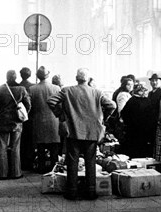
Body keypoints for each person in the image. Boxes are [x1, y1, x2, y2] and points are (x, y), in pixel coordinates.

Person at [47, 68, 115, 200]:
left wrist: (61, 115)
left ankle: (72, 191)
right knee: (90, 162)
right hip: (91, 132)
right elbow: (112, 105)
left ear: (76, 78)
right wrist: (102, 119)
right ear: (88, 78)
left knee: (72, 162)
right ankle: (90, 191)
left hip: (73, 131)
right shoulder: (97, 92)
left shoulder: (67, 91)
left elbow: (51, 101)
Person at [0, 70, 31, 179]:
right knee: (15, 147)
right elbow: (28, 104)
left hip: (4, 120)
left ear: (6, 76)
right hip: (16, 122)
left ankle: (2, 173)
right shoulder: (21, 89)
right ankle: (16, 173)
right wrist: (23, 115)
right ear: (16, 77)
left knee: (2, 147)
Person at [28, 66, 61, 173]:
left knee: (40, 148)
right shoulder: (56, 88)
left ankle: (41, 168)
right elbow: (60, 106)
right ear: (48, 75)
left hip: (38, 120)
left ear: (37, 76)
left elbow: (29, 107)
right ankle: (54, 168)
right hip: (54, 121)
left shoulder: (32, 89)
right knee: (54, 148)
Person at [121, 83, 155, 158]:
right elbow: (151, 116)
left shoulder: (132, 100)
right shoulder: (147, 101)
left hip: (132, 131)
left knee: (133, 151)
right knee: (142, 151)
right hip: (144, 131)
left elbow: (124, 113)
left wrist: (129, 123)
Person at [18, 67, 35, 171]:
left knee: (21, 141)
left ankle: (21, 162)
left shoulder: (17, 86)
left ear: (20, 75)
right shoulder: (33, 86)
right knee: (30, 141)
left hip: (18, 117)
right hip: (30, 117)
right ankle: (29, 162)